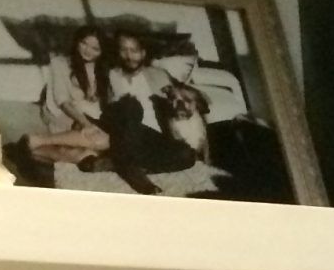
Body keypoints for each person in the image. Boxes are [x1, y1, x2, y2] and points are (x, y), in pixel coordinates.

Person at [102, 28, 211, 193]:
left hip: (156, 138)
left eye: (134, 51)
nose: (129, 56)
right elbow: (106, 110)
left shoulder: (158, 75)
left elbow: (186, 95)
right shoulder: (110, 75)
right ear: (118, 52)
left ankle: (118, 164)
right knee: (131, 105)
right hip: (127, 131)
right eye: (124, 50)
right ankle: (138, 179)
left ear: (143, 53)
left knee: (186, 155)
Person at [27, 25, 111, 169]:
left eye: (95, 48)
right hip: (67, 115)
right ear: (77, 41)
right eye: (84, 43)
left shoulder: (103, 68)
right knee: (103, 142)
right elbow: (62, 101)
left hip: (92, 116)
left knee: (91, 152)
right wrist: (86, 124)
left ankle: (33, 148)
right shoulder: (60, 63)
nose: (87, 50)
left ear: (102, 51)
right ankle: (39, 140)